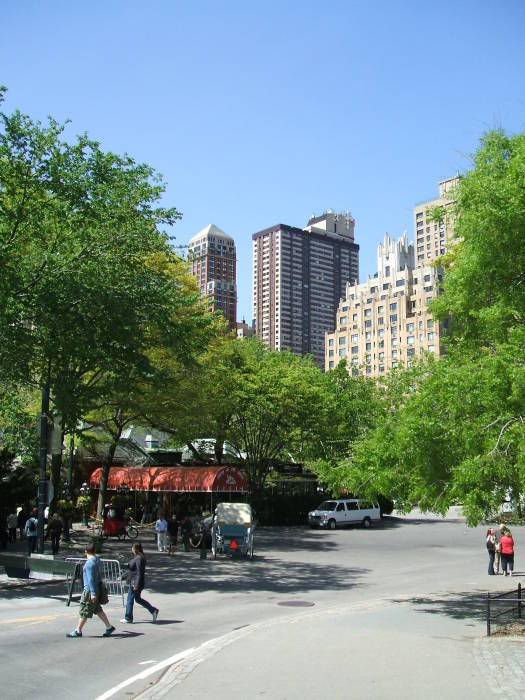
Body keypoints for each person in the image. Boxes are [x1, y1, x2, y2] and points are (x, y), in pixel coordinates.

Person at [66, 542, 115, 638]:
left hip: (89, 590)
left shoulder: (89, 564)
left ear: (86, 551)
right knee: (98, 610)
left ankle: (78, 631)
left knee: (84, 610)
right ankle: (109, 627)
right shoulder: (97, 560)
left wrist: (92, 593)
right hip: (96, 588)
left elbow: (90, 579)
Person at [120, 542, 159, 624]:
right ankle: (153, 610)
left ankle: (128, 617)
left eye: (132, 548)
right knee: (138, 599)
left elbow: (139, 572)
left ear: (136, 549)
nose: (132, 550)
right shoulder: (138, 557)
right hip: (136, 582)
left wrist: (136, 585)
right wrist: (122, 576)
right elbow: (131, 571)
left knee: (130, 599)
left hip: (136, 583)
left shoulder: (139, 558)